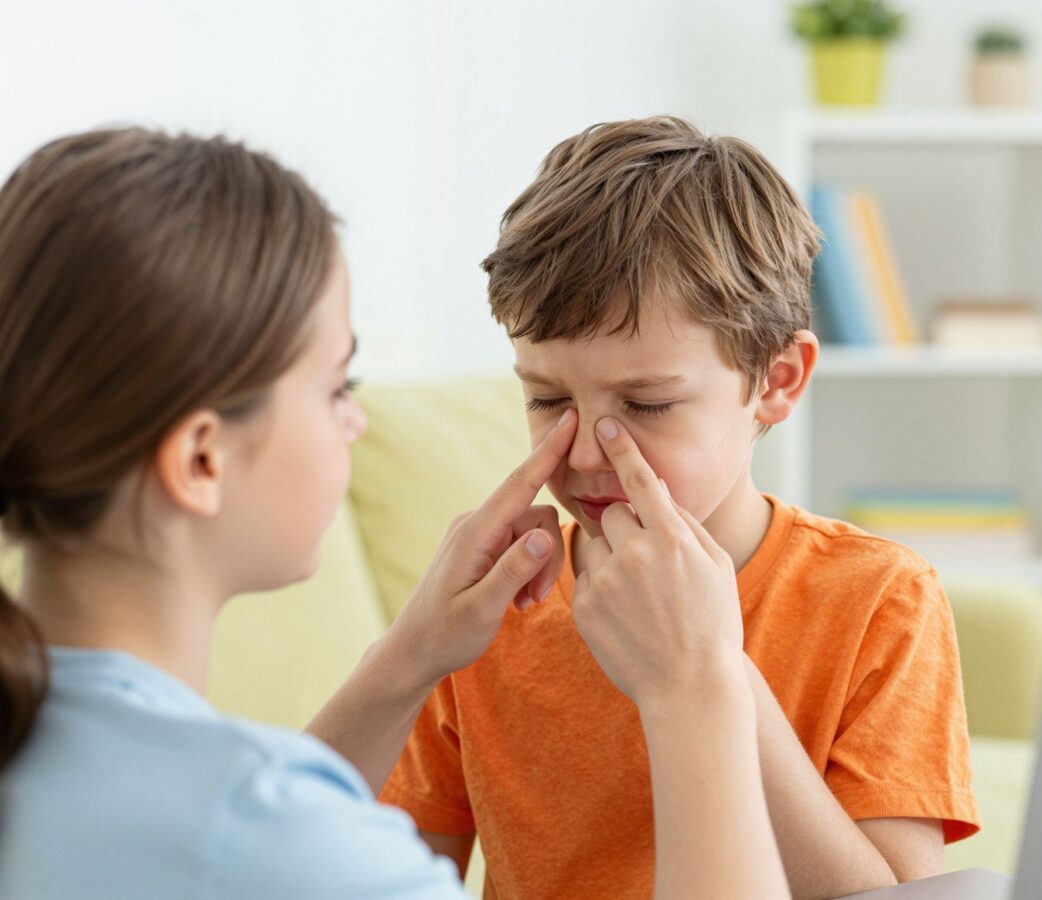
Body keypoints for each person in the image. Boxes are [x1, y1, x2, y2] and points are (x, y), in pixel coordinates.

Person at [0, 127, 787, 899]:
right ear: (202, 460)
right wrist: (697, 690)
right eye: (336, 387)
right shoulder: (267, 831)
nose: (356, 422)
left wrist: (407, 659)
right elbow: (272, 842)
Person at [381, 117, 982, 900]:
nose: (586, 453)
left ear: (777, 382)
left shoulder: (879, 600)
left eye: (646, 405)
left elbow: (893, 895)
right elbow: (375, 873)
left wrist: (708, 669)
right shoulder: (489, 611)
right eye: (548, 400)